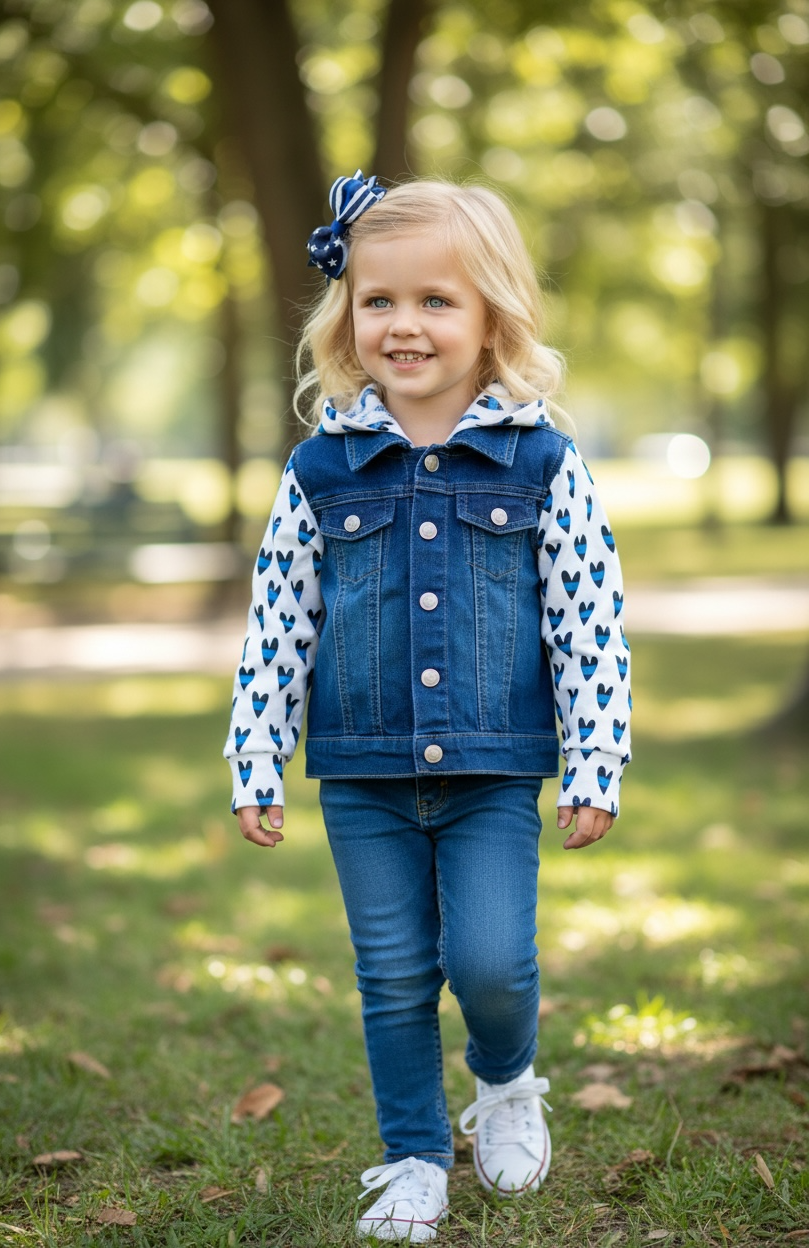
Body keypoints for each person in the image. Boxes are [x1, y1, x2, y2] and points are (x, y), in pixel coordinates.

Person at [223, 172, 631, 1241]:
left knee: (490, 964)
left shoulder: (541, 461)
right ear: (345, 316)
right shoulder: (320, 469)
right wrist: (255, 755)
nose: (404, 324)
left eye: (436, 301)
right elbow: (279, 623)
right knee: (394, 975)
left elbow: (586, 622)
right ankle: (410, 1158)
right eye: (379, 300)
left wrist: (596, 760)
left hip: (494, 767)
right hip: (362, 772)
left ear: (492, 314)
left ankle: (504, 1079)